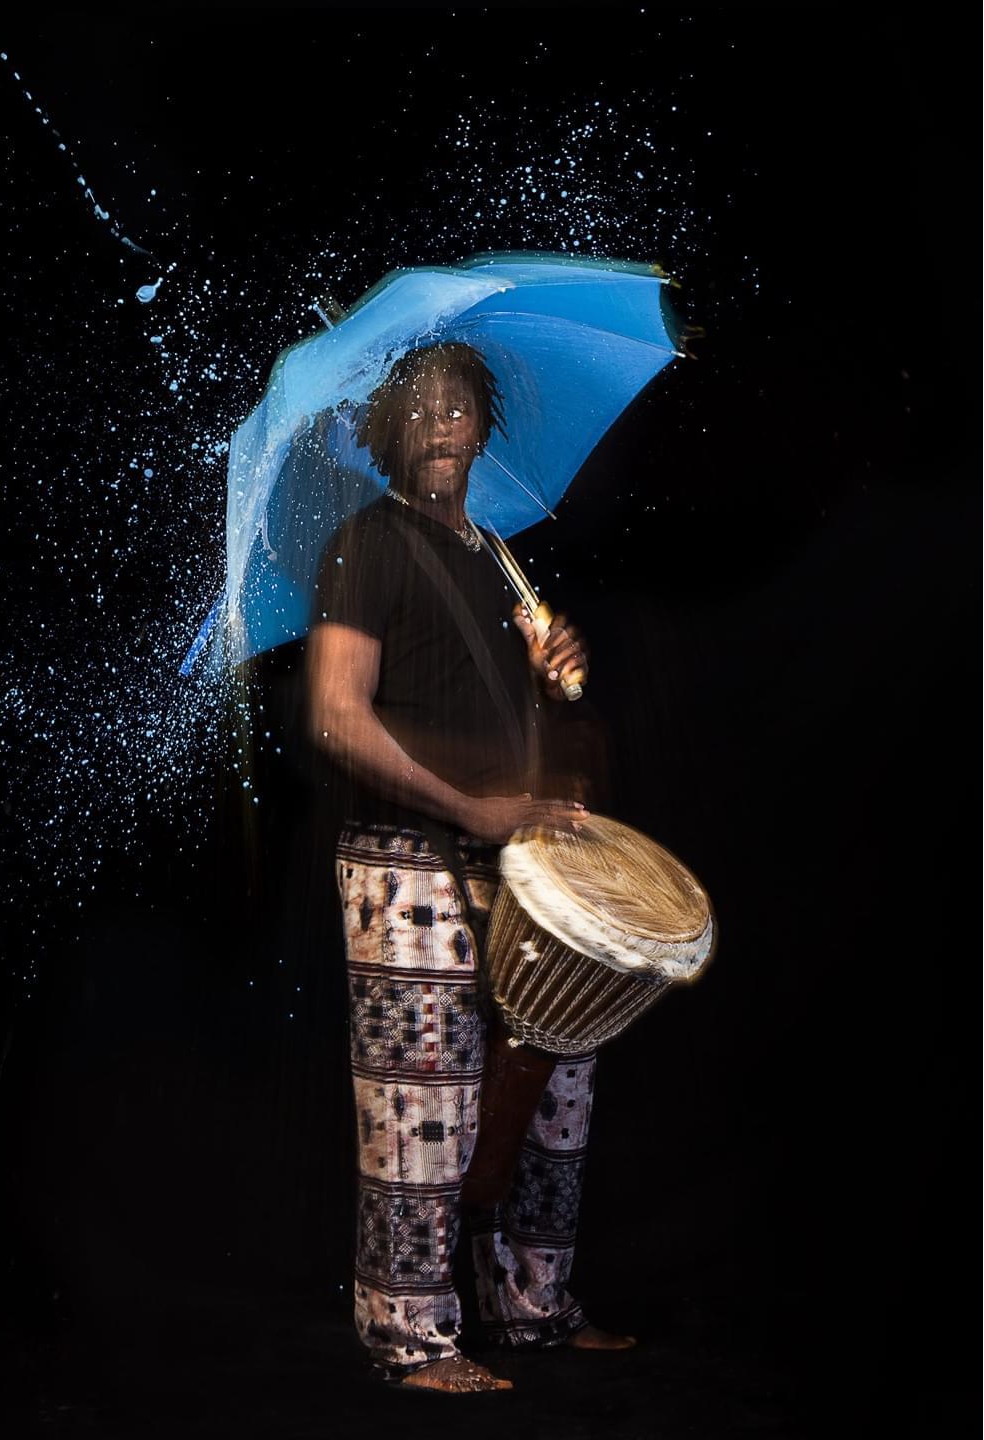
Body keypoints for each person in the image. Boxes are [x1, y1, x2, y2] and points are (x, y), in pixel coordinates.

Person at [304, 341, 633, 1395]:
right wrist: (469, 806)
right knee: (424, 1103)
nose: (444, 422)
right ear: (387, 431)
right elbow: (334, 715)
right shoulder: (365, 543)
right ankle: (411, 1337)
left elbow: (523, 729)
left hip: (519, 864)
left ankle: (531, 1309)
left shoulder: (498, 558)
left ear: (482, 427)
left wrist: (556, 682)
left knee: (547, 1094)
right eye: (423, 407)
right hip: (404, 864)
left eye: (461, 407)